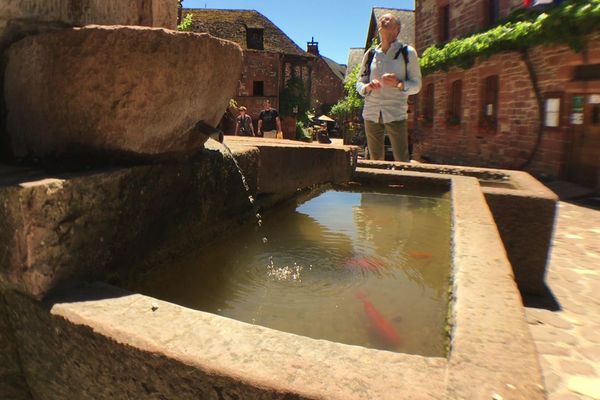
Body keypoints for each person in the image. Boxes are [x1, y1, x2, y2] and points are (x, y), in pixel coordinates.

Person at [356, 13, 422, 162]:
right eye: (381, 19)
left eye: (387, 19)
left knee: (401, 159)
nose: (382, 20)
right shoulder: (370, 54)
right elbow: (359, 83)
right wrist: (367, 87)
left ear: (397, 28)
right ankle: (378, 184)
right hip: (371, 113)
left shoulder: (407, 53)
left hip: (396, 113)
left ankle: (404, 184)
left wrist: (399, 84)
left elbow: (417, 85)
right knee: (375, 160)